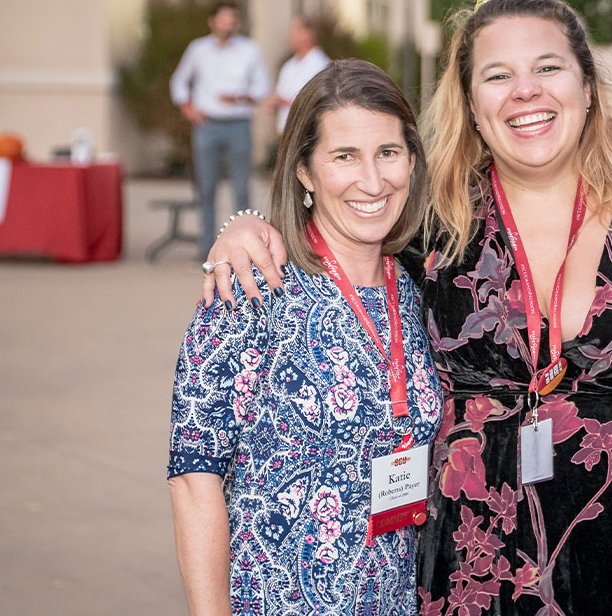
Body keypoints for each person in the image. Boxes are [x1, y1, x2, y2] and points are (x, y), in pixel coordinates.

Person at [202, 0, 612, 616]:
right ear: (472, 106)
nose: (525, 91)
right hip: (473, 565)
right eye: (498, 76)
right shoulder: (433, 225)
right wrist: (250, 226)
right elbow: (341, 217)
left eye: (548, 67)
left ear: (588, 86)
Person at [167, 60, 443, 615]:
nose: (372, 180)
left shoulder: (419, 289)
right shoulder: (251, 287)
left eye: (387, 153)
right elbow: (195, 481)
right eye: (344, 156)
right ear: (305, 172)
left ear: (412, 160)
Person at [170, 1, 270, 257]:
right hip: (208, 126)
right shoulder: (198, 49)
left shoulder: (250, 50)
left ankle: (245, 248)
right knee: (206, 188)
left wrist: (240, 97)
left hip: (238, 124)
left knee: (240, 188)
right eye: (224, 18)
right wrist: (189, 109)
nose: (229, 23)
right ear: (212, 21)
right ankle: (207, 249)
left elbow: (262, 88)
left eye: (233, 18)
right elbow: (179, 82)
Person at [269, 15, 331, 134]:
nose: (290, 36)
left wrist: (284, 101)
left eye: (295, 31)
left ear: (308, 34)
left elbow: (319, 103)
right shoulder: (289, 66)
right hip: (287, 132)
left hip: (308, 134)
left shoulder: (320, 65)